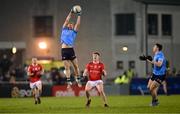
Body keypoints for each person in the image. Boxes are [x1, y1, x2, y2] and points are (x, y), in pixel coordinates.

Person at [60, 7, 82, 88]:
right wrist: (71, 12)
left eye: (71, 25)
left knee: (76, 66)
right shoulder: (63, 30)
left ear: (72, 27)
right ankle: (69, 81)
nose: (70, 25)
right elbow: (67, 19)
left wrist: (79, 15)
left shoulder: (74, 32)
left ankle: (78, 79)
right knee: (67, 67)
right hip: (64, 50)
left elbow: (78, 24)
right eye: (69, 24)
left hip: (71, 50)